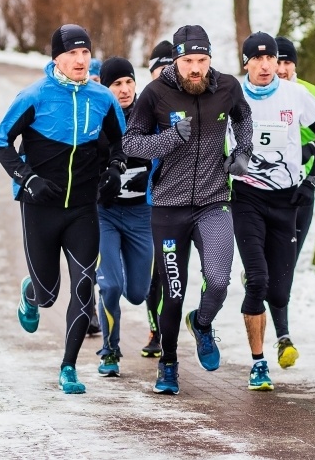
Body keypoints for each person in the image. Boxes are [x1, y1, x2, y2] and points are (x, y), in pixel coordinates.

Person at [0, 24, 127, 394]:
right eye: (72, 54)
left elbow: (120, 141)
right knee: (48, 293)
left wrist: (115, 170)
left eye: (85, 53)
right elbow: (0, 140)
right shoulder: (34, 96)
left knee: (84, 287)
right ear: (57, 59)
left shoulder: (102, 98)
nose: (81, 59)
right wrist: (27, 178)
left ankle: (68, 367)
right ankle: (31, 293)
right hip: (40, 207)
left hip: (84, 208)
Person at [122, 24, 253, 394]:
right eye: (188, 61)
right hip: (168, 208)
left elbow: (244, 119)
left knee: (219, 280)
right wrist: (168, 140)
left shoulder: (227, 86)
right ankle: (168, 364)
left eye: (202, 60)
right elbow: (131, 143)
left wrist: (243, 152)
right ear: (177, 60)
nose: (196, 68)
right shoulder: (154, 94)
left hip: (214, 202)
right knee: (173, 293)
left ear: (210, 58)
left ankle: (204, 322)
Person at [234, 32, 315, 391]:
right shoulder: (232, 94)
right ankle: (258, 363)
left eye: (272, 59)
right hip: (246, 197)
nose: (266, 66)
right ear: (245, 61)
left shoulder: (297, 95)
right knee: (258, 279)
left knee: (279, 292)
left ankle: (271, 313)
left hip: (287, 200)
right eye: (257, 59)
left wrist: (311, 180)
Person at [263, 36, 315, 370]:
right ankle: (284, 337)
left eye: (287, 62)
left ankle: (268, 292)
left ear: (295, 65)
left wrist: (307, 154)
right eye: (276, 62)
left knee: (286, 267)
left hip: (301, 194)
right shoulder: (255, 93)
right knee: (267, 269)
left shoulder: (314, 95)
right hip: (263, 194)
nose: (281, 69)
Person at [95, 57, 154, 377]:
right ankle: (110, 349)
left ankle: (111, 277)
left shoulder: (148, 117)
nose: (124, 89)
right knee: (112, 286)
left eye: (129, 82)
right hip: (106, 215)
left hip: (142, 216)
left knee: (137, 293)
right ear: (106, 89)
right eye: (116, 84)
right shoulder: (98, 120)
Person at [140, 38, 175, 359]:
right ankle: (155, 330)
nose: (164, 73)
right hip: (146, 202)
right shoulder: (144, 105)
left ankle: (162, 333)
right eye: (159, 68)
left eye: (169, 67)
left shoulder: (181, 106)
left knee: (167, 273)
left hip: (176, 202)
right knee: (153, 275)